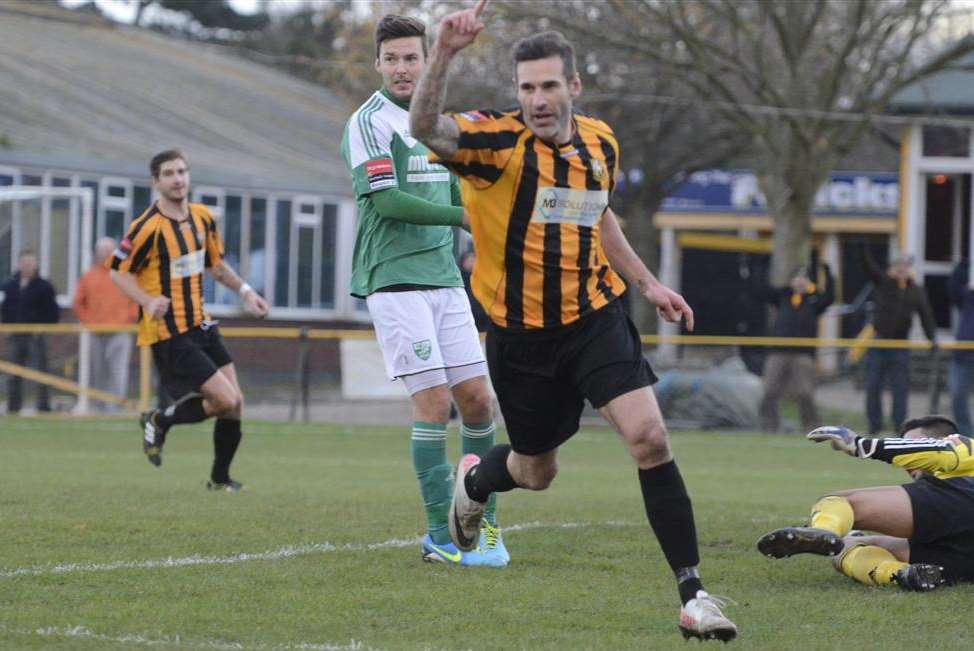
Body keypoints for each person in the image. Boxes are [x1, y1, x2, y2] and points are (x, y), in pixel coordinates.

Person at [410, 2, 736, 641]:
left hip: (595, 318)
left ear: (574, 87)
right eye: (527, 87)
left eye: (549, 85)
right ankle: (476, 480)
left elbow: (600, 216)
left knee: (650, 438)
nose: (537, 98)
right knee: (536, 473)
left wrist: (647, 283)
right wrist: (443, 52)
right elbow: (426, 128)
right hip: (523, 340)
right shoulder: (495, 143)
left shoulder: (600, 141)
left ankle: (694, 595)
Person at [340, 14, 507, 567]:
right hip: (394, 279)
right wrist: (464, 218)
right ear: (379, 64)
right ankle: (441, 533)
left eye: (412, 57)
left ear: (427, 59)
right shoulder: (368, 122)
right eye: (392, 59)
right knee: (434, 405)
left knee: (480, 401)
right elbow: (388, 202)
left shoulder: (441, 122)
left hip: (444, 280)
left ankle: (482, 530)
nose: (403, 67)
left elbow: (469, 184)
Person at [109, 149, 268, 491]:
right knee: (224, 400)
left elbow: (215, 264)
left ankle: (219, 479)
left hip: (201, 323)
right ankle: (160, 419)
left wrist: (245, 291)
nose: (178, 179)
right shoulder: (146, 226)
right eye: (169, 173)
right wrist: (148, 300)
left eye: (182, 171)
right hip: (169, 331)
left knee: (235, 404)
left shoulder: (202, 218)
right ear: (156, 181)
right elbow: (117, 271)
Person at [756, 416, 974, 591]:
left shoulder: (961, 445)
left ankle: (822, 531)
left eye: (909, 444)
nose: (906, 460)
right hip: (961, 559)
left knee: (840, 502)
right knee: (847, 546)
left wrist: (859, 444)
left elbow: (940, 452)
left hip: (963, 501)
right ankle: (903, 574)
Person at [861, 246, 937, 434]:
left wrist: (932, 338)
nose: (902, 269)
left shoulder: (916, 290)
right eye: (898, 265)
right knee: (873, 387)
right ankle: (874, 426)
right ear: (892, 268)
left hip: (900, 345)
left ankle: (899, 427)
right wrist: (864, 247)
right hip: (879, 343)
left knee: (900, 389)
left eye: (905, 265)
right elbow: (867, 266)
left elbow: (925, 315)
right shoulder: (884, 282)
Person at [757, 263, 834, 432]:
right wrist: (763, 266)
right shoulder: (783, 296)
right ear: (791, 281)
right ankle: (768, 428)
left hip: (803, 353)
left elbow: (830, 297)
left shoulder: (814, 300)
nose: (800, 281)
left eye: (804, 278)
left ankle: (811, 428)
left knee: (805, 393)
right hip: (778, 352)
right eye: (797, 277)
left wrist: (827, 274)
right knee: (769, 390)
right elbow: (762, 290)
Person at [74, 237, 138, 411]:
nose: (105, 255)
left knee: (118, 370)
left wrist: (129, 318)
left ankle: (115, 406)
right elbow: (79, 302)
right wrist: (89, 322)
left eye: (109, 251)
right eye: (102, 251)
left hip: (120, 331)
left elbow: (136, 298)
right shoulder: (89, 276)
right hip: (96, 332)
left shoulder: (125, 273)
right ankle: (98, 404)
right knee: (97, 370)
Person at [1, 250, 59, 413]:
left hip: (36, 336)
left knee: (41, 371)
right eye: (25, 262)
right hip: (15, 334)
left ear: (36, 264)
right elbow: (6, 308)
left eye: (31, 262)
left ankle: (43, 406)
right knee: (13, 372)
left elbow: (53, 312)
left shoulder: (45, 286)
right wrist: (6, 326)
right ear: (19, 264)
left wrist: (43, 328)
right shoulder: (10, 286)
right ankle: (13, 406)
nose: (27, 265)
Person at [948, 260, 974, 436]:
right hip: (963, 355)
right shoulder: (968, 297)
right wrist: (967, 261)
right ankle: (967, 437)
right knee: (957, 395)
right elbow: (952, 288)